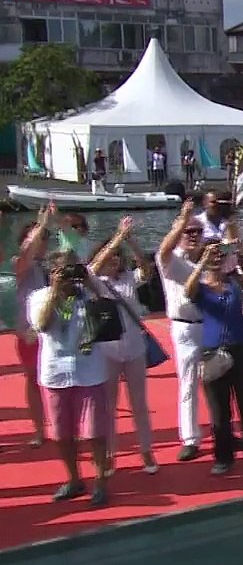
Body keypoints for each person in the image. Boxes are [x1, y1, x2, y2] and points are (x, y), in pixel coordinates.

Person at [185, 241, 243, 483]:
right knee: (219, 412)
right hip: (212, 353)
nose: (216, 259)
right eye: (211, 255)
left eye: (219, 255)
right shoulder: (201, 289)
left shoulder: (236, 283)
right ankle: (224, 457)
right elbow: (187, 290)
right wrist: (202, 262)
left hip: (241, 351)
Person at [29, 250, 112, 506]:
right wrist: (55, 291)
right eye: (63, 270)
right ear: (51, 273)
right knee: (62, 435)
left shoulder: (90, 293)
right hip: (55, 373)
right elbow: (41, 325)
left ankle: (100, 481)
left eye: (73, 268)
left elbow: (110, 316)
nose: (69, 275)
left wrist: (89, 282)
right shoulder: (39, 297)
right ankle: (74, 479)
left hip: (90, 371)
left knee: (95, 433)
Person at [88, 216, 158, 474]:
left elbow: (146, 269)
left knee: (139, 404)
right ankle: (109, 454)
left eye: (118, 255)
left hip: (134, 349)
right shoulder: (95, 283)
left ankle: (146, 451)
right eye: (111, 255)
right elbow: (91, 268)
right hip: (107, 352)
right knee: (108, 407)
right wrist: (116, 236)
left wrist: (131, 241)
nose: (115, 259)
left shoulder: (128, 278)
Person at [156, 200, 208, 461]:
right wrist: (182, 220)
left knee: (216, 381)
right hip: (185, 328)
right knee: (188, 383)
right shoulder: (171, 260)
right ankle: (190, 437)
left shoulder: (208, 258)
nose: (194, 236)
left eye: (198, 231)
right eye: (189, 232)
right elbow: (164, 250)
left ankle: (222, 428)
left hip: (209, 326)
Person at [12, 211, 52, 448]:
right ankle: (39, 430)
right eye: (37, 238)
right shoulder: (19, 264)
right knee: (33, 380)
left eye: (44, 239)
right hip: (29, 332)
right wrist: (42, 225)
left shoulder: (51, 265)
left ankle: (63, 426)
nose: (41, 242)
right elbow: (27, 251)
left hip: (53, 331)